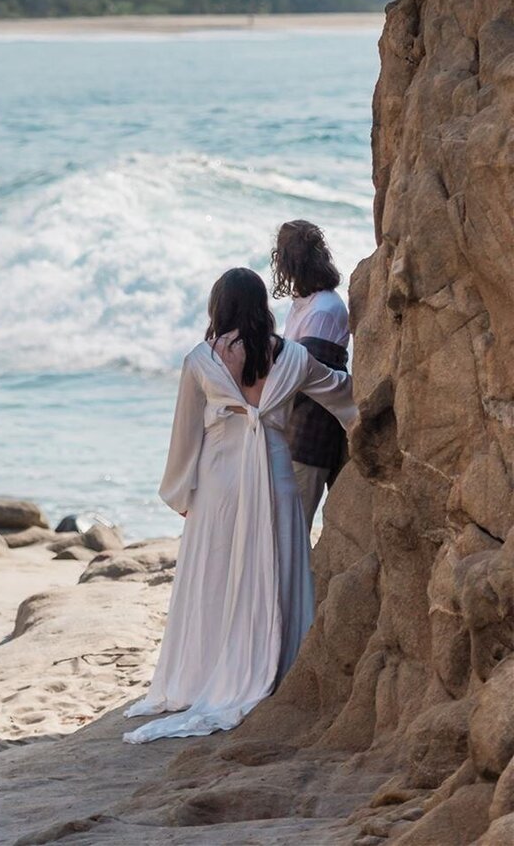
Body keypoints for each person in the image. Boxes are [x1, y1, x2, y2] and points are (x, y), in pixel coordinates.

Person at [124, 267, 356, 743]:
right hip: (276, 474)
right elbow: (343, 394)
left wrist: (181, 494)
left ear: (220, 307)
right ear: (261, 306)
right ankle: (275, 665)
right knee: (277, 567)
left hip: (219, 483)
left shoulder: (200, 360)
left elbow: (185, 436)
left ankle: (208, 670)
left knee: (214, 573)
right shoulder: (292, 356)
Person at [272, 219, 350, 532]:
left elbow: (311, 382)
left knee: (291, 533)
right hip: (293, 433)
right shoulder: (304, 304)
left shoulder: (324, 310)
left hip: (310, 437)